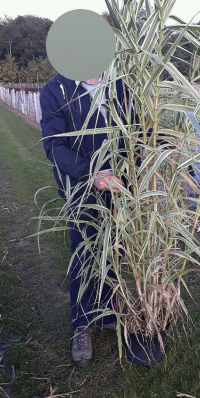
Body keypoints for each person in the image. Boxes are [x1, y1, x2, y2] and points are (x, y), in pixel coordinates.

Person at [40, 70, 131, 368]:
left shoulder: (120, 84)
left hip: (119, 186)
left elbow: (137, 131)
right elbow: (54, 145)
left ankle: (108, 312)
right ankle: (81, 324)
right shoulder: (56, 90)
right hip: (80, 186)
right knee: (83, 252)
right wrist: (90, 173)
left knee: (115, 250)